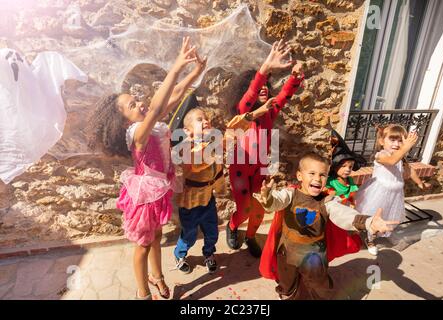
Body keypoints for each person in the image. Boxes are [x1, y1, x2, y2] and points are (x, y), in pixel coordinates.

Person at [89, 37, 203, 300]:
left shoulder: (154, 126)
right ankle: (143, 292)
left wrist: (194, 73)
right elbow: (157, 108)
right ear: (123, 120)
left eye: (137, 99)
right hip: (144, 196)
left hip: (159, 190)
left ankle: (157, 276)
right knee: (142, 245)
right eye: (132, 105)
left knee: (156, 237)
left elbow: (170, 100)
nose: (140, 103)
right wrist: (175, 68)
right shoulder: (136, 134)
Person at [256, 152, 400, 299]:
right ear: (300, 176)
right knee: (287, 280)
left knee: (319, 284)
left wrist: (369, 222)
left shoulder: (327, 201)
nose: (317, 179)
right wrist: (267, 197)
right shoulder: (290, 194)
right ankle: (287, 294)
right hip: (286, 251)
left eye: (323, 175)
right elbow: (276, 202)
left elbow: (344, 214)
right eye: (312, 173)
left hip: (314, 254)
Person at [173, 97, 276, 274]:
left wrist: (258, 112)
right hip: (190, 202)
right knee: (189, 234)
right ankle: (180, 254)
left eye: (207, 119)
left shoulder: (214, 143)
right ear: (187, 130)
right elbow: (201, 160)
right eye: (200, 119)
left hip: (208, 198)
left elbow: (233, 130)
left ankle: (208, 254)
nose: (206, 121)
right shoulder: (186, 149)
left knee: (212, 231)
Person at [226, 39, 305, 257]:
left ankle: (251, 237)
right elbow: (249, 98)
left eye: (265, 85)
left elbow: (285, 95)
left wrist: (295, 76)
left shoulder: (271, 110)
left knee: (260, 207)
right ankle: (233, 226)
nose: (263, 88)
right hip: (240, 165)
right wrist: (265, 69)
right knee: (243, 209)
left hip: (261, 166)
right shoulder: (245, 112)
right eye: (258, 86)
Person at [355, 124, 431, 255]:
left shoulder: (401, 158)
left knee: (387, 216)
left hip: (394, 194)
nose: (396, 144)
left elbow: (410, 171)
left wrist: (420, 183)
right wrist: (406, 146)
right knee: (374, 216)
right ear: (381, 141)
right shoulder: (381, 155)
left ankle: (380, 231)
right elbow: (391, 161)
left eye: (400, 140)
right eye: (392, 139)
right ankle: (370, 239)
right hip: (378, 193)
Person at [324, 129, 366, 262]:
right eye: (343, 166)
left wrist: (353, 209)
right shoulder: (330, 182)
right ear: (335, 166)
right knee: (328, 241)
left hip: (344, 213)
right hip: (332, 215)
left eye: (350, 166)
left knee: (341, 239)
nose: (347, 169)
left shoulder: (350, 181)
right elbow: (328, 198)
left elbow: (352, 197)